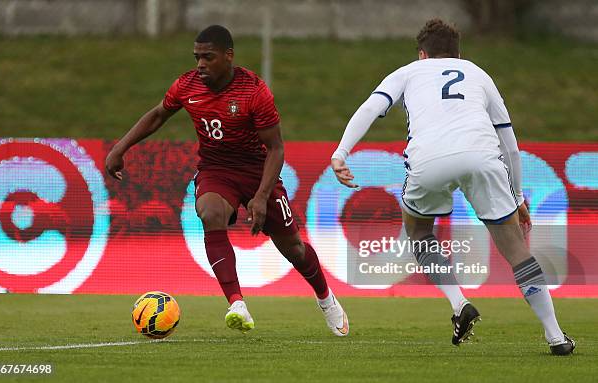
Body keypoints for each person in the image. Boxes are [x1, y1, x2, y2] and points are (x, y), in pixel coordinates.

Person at [331, 19, 574, 354]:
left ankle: (459, 304)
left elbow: (371, 107)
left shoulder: (408, 72)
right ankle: (556, 337)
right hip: (482, 158)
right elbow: (511, 146)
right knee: (517, 249)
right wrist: (517, 196)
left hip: (429, 160)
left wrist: (341, 153)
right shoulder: (477, 73)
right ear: (458, 53)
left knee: (419, 234)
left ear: (422, 54)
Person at [106, 25, 349, 336]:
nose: (200, 64)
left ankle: (326, 299)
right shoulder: (187, 85)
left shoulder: (254, 91)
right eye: (197, 57)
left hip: (258, 172)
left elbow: (276, 148)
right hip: (217, 170)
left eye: (208, 57)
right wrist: (120, 147)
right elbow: (157, 115)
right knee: (209, 212)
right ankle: (236, 303)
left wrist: (261, 196)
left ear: (228, 56)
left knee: (294, 248)